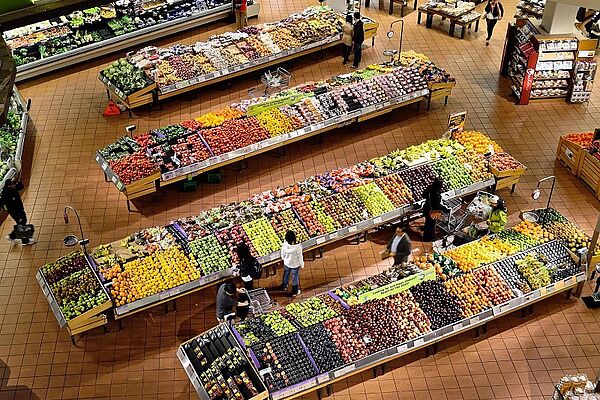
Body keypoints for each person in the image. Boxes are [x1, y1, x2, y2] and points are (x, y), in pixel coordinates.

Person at [0, 180, 34, 245]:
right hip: (16, 213)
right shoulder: (7, 195)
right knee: (22, 224)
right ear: (9, 185)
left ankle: (12, 236)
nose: (15, 185)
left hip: (19, 210)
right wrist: (19, 217)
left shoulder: (12, 189)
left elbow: (21, 186)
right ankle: (24, 241)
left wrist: (17, 183)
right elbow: (11, 208)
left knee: (21, 224)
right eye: (13, 184)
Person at [280, 230, 304, 296]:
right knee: (295, 277)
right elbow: (300, 257)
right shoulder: (298, 247)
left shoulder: (284, 246)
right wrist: (302, 264)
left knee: (286, 273)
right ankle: (294, 291)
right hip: (295, 265)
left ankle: (284, 285)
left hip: (287, 263)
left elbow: (282, 255)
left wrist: (284, 259)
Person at [422, 178, 444, 242]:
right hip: (433, 212)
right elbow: (437, 205)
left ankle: (426, 236)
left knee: (427, 223)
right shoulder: (437, 194)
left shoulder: (429, 188)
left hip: (427, 208)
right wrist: (444, 208)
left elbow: (423, 195)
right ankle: (429, 238)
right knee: (431, 224)